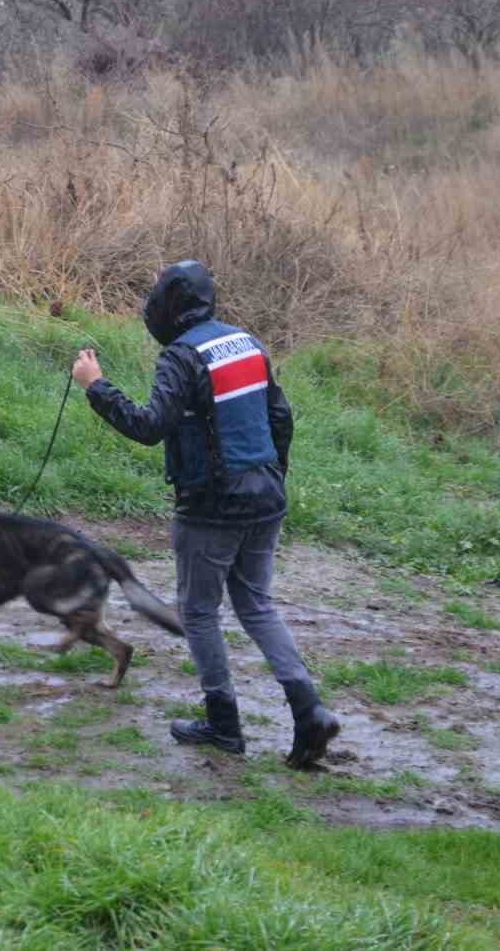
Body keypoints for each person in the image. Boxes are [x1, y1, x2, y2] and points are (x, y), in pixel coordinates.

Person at [70, 260, 341, 769]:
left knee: (198, 611)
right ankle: (310, 712)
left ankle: (223, 724)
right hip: (266, 497)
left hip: (212, 508)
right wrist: (272, 476)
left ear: (168, 308)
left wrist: (95, 385)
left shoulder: (182, 355)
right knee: (257, 605)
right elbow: (280, 417)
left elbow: (149, 425)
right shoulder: (246, 342)